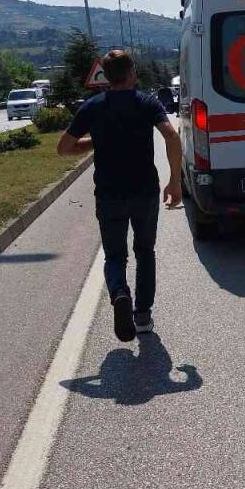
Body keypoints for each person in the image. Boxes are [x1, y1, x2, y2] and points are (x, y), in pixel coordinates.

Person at [58, 50, 183, 343]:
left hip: (109, 194)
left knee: (115, 255)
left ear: (106, 76)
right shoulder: (147, 102)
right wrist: (175, 181)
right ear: (131, 73)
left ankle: (119, 293)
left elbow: (64, 147)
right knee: (145, 252)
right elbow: (171, 136)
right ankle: (142, 316)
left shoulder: (93, 106)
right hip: (144, 192)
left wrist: (96, 142)